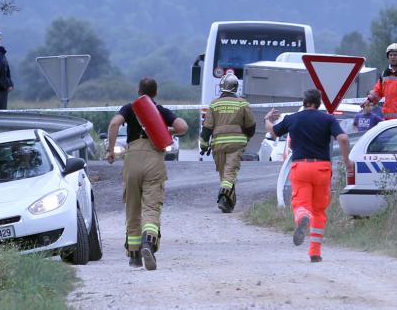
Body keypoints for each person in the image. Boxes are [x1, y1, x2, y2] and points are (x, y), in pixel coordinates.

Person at [106, 77, 188, 271]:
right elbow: (183, 127)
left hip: (132, 160)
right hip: (154, 161)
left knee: (132, 208)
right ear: (156, 92)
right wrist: (165, 130)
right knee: (151, 207)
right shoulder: (161, 111)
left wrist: (110, 150)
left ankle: (134, 256)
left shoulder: (129, 108)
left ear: (138, 91)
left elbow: (113, 124)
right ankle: (148, 243)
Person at [264, 89, 353, 263]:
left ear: (303, 102)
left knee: (300, 204)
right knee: (319, 210)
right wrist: (346, 160)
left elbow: (273, 132)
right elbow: (342, 138)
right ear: (319, 103)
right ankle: (315, 252)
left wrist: (267, 119)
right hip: (322, 168)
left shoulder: (292, 119)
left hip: (301, 166)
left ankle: (303, 216)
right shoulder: (328, 119)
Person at [199, 72, 256, 213]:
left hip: (218, 144)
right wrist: (247, 137)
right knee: (230, 174)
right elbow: (251, 126)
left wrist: (204, 145)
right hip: (236, 144)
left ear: (221, 87)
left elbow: (207, 127)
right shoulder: (243, 104)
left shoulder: (214, 104)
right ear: (236, 87)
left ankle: (227, 203)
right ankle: (224, 195)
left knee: (224, 174)